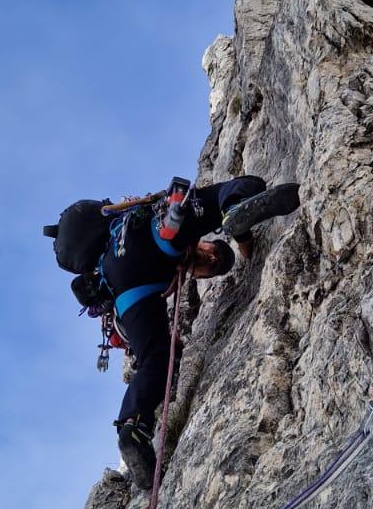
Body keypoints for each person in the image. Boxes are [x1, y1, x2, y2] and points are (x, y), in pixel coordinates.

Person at [47, 177, 301, 489]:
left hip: (124, 284)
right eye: (214, 255)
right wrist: (242, 234)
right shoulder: (177, 236)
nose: (209, 260)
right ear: (207, 242)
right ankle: (234, 207)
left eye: (213, 266)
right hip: (148, 238)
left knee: (157, 358)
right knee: (238, 188)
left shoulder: (125, 258)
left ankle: (132, 427)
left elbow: (144, 346)